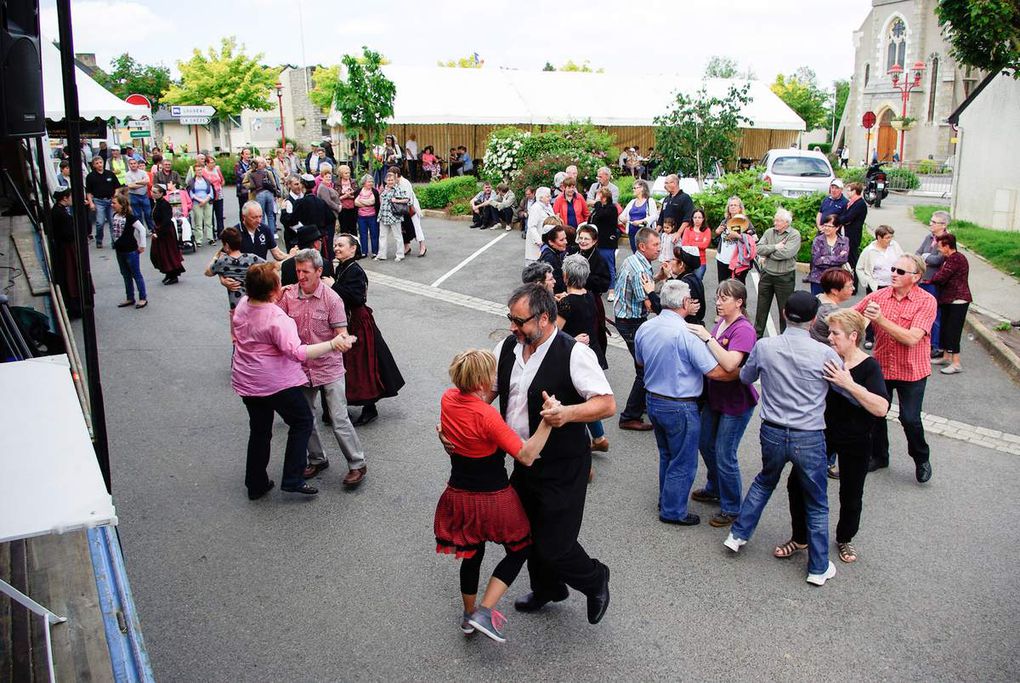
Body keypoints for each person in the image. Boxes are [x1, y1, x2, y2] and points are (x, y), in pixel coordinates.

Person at [491, 284, 614, 625]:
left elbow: (607, 403)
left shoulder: (574, 353)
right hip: (523, 461)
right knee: (520, 534)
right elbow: (490, 390)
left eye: (519, 320)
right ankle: (549, 588)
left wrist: (567, 414)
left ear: (544, 318)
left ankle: (595, 578)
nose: (513, 327)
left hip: (564, 465)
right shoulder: (506, 347)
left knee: (555, 545)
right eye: (510, 318)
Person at [724, 291, 843, 587]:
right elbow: (841, 388)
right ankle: (817, 567)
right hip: (809, 433)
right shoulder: (825, 353)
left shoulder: (765, 346)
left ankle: (738, 535)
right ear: (814, 319)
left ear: (785, 314)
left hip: (773, 429)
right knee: (816, 501)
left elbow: (745, 377)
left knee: (764, 481)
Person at [434, 349, 551, 643]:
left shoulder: (448, 399)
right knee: (519, 547)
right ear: (484, 379)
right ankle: (484, 611)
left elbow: (450, 428)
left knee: (472, 553)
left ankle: (468, 615)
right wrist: (547, 422)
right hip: (493, 497)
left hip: (459, 494)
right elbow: (525, 455)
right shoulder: (487, 416)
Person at [231, 262, 351, 500]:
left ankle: (256, 483)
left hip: (247, 380)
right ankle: (292, 477)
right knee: (302, 421)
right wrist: (332, 344)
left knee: (260, 430)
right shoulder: (277, 318)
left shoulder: (243, 305)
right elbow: (297, 352)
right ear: (273, 289)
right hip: (274, 383)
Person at [779, 309, 889, 565]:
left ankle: (844, 538)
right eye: (829, 332)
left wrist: (847, 383)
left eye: (835, 333)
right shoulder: (826, 358)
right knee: (796, 484)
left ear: (853, 336)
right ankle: (800, 537)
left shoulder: (869, 366)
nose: (829, 337)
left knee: (851, 492)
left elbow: (881, 408)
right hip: (819, 435)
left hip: (856, 439)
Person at [636, 280, 728, 526]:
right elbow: (714, 371)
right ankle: (673, 510)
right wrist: (739, 372)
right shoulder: (687, 333)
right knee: (683, 460)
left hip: (654, 399)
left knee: (667, 454)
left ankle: (666, 499)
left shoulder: (646, 327)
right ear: (685, 303)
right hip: (680, 404)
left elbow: (641, 361)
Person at [276, 248, 366, 488]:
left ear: (319, 271)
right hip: (301, 369)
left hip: (329, 367)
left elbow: (341, 333)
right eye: (298, 271)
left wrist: (346, 340)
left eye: (306, 271)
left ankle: (357, 464)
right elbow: (276, 324)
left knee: (339, 418)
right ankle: (317, 459)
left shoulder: (332, 299)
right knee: (305, 418)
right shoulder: (288, 296)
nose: (301, 276)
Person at [853, 254, 937, 482]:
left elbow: (912, 338)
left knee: (909, 418)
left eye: (901, 271)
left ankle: (921, 458)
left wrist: (880, 320)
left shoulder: (926, 301)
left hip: (912, 370)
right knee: (875, 413)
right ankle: (879, 456)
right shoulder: (879, 295)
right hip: (882, 367)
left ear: (916, 277)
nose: (894, 274)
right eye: (893, 269)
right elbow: (852, 316)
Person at [687, 279, 758, 528]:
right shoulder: (721, 323)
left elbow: (730, 364)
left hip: (736, 403)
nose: (718, 302)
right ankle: (715, 486)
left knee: (725, 453)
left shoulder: (744, 330)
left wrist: (707, 338)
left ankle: (731, 507)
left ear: (739, 302)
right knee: (706, 443)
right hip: (715, 398)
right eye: (717, 297)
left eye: (724, 298)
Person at [331, 234, 405, 426]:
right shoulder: (342, 267)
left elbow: (357, 298)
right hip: (348, 321)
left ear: (353, 249)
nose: (337, 248)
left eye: (341, 245)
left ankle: (369, 407)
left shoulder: (355, 270)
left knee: (364, 364)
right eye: (335, 245)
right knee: (354, 364)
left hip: (359, 321)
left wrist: (333, 286)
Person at [557, 254, 610, 456]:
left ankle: (583, 454)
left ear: (566, 277)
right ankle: (599, 438)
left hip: (573, 356)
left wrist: (571, 339)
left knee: (575, 404)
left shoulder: (567, 304)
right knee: (586, 398)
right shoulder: (589, 296)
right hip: (593, 353)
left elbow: (555, 334)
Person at [613, 227, 662, 431]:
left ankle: (640, 404)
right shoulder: (640, 268)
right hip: (631, 322)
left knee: (642, 365)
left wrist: (659, 277)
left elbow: (646, 287)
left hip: (627, 318)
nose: (659, 249)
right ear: (643, 246)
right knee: (645, 369)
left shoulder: (636, 260)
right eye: (655, 245)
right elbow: (652, 305)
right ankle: (629, 416)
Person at [754, 208, 802, 337]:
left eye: (778, 220)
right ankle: (757, 336)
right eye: (775, 219)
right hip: (767, 275)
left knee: (784, 310)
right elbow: (758, 248)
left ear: (787, 223)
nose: (775, 222)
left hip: (785, 277)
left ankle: (785, 337)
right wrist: (775, 247)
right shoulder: (769, 232)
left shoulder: (794, 235)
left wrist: (768, 253)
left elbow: (787, 253)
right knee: (761, 308)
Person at [929, 233, 971, 375]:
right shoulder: (949, 258)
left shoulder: (956, 259)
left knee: (953, 331)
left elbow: (941, 277)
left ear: (947, 246)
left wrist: (930, 279)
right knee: (945, 328)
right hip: (948, 299)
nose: (938, 250)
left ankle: (956, 362)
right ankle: (946, 357)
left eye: (940, 247)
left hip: (958, 300)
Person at [206, 226, 265, 323]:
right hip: (254, 303)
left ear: (226, 246)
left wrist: (215, 258)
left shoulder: (222, 261)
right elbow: (269, 266)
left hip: (236, 305)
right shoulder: (252, 258)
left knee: (238, 335)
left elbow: (208, 272)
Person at [917, 210, 951, 359]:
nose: (930, 224)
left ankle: (936, 345)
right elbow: (918, 253)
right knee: (921, 312)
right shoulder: (928, 237)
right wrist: (924, 257)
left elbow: (938, 260)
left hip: (933, 282)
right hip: (922, 280)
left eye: (934, 222)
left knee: (934, 314)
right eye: (931, 221)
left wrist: (926, 257)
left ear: (943, 225)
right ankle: (924, 339)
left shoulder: (946, 240)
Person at [574, 225, 611, 357]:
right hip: (573, 298)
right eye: (581, 238)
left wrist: (585, 278)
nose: (582, 241)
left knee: (593, 332)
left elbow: (605, 284)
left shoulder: (599, 259)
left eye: (586, 239)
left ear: (594, 241)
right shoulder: (574, 252)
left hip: (591, 301)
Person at [110, 188, 147, 309]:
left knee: (136, 274)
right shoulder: (115, 215)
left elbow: (142, 229)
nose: (112, 205)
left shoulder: (130, 217)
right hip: (120, 250)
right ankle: (130, 297)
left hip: (130, 250)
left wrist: (142, 245)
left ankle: (143, 297)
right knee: (125, 274)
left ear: (121, 205)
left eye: (114, 203)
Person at [48, 188, 82, 317]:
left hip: (64, 247)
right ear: (65, 198)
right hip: (66, 248)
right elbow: (68, 233)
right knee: (71, 276)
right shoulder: (60, 214)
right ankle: (74, 306)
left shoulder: (58, 211)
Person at [149, 184, 185, 285]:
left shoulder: (164, 204)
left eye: (155, 192)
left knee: (168, 254)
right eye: (152, 191)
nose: (152, 194)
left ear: (161, 193)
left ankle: (173, 275)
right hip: (161, 230)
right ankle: (168, 274)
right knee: (162, 254)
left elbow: (166, 221)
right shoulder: (157, 203)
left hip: (166, 232)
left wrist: (158, 233)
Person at [588, 188, 620, 298]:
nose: (596, 198)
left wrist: (597, 202)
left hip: (607, 241)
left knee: (609, 265)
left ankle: (612, 290)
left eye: (598, 196)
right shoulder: (599, 208)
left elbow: (602, 215)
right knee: (597, 265)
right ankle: (599, 287)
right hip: (596, 241)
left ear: (604, 198)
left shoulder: (611, 208)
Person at [809, 268, 854, 344]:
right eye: (849, 286)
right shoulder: (833, 312)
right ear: (834, 291)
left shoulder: (817, 297)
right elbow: (848, 338)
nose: (853, 288)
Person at [808, 214, 849, 295]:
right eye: (825, 225)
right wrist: (837, 258)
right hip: (818, 279)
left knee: (832, 305)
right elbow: (816, 261)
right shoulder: (818, 240)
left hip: (835, 279)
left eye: (830, 226)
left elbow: (843, 259)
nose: (826, 228)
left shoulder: (844, 240)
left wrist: (825, 258)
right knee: (816, 304)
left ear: (837, 227)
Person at [714, 198, 753, 283]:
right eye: (731, 205)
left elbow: (754, 238)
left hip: (737, 260)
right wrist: (717, 231)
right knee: (723, 285)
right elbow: (718, 234)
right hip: (722, 258)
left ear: (740, 208)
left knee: (737, 287)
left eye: (735, 205)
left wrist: (738, 236)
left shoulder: (745, 221)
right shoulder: (725, 221)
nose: (733, 207)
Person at [85, 156, 120, 249]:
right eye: (97, 163)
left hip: (110, 201)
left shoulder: (110, 174)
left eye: (100, 162)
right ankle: (99, 240)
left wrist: (115, 197)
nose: (99, 164)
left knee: (113, 222)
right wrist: (91, 203)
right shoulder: (90, 176)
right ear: (93, 165)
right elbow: (88, 192)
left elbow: (117, 187)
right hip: (98, 201)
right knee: (100, 222)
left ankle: (114, 241)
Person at [377, 170, 409, 261]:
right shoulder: (384, 189)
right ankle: (381, 254)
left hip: (394, 216)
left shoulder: (398, 189)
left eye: (392, 180)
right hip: (383, 215)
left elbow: (407, 200)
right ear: (386, 180)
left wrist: (396, 200)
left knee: (397, 236)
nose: (390, 182)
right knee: (382, 236)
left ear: (395, 181)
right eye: (388, 180)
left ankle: (400, 254)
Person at [245, 157, 281, 238]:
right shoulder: (266, 172)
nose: (260, 164)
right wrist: (274, 193)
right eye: (259, 163)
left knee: (263, 215)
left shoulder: (253, 173)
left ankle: (264, 234)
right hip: (268, 194)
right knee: (269, 215)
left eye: (262, 163)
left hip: (260, 194)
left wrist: (252, 187)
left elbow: (252, 185)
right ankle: (270, 234)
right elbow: (274, 184)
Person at [619, 179, 658, 254]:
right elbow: (621, 215)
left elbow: (654, 216)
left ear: (642, 188)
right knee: (635, 254)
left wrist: (641, 221)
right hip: (632, 233)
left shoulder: (649, 201)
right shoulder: (632, 202)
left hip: (644, 234)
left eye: (635, 188)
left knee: (645, 255)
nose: (633, 190)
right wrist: (622, 218)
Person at [838, 182, 868, 274]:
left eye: (849, 191)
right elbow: (843, 216)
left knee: (852, 261)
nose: (847, 193)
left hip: (853, 236)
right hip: (846, 233)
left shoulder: (860, 204)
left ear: (855, 191)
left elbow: (847, 218)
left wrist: (841, 220)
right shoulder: (851, 203)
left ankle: (854, 282)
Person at [187, 159, 216, 247]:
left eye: (200, 170)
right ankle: (198, 239)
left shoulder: (206, 180)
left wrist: (205, 200)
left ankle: (210, 238)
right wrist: (200, 200)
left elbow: (211, 192)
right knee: (198, 222)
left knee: (209, 221)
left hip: (207, 201)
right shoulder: (192, 181)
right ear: (195, 171)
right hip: (197, 202)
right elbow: (191, 193)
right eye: (197, 170)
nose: (199, 172)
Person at [124, 157, 154, 233]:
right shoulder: (127, 174)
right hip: (133, 196)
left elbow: (147, 181)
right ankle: (141, 230)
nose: (133, 165)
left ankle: (152, 229)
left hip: (144, 195)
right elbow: (130, 186)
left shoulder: (143, 172)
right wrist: (142, 183)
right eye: (131, 164)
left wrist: (136, 182)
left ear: (137, 164)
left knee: (148, 213)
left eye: (134, 163)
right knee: (137, 215)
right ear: (129, 165)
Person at [680, 208, 712, 280]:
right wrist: (699, 243)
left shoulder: (707, 230)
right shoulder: (687, 229)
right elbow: (684, 244)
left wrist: (691, 243)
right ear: (692, 218)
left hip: (701, 262)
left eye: (699, 217)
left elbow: (705, 245)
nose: (697, 219)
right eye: (695, 217)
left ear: (703, 219)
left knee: (697, 282)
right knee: (686, 281)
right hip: (688, 261)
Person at [354, 174, 381, 258]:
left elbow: (373, 202)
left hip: (372, 216)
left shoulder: (375, 192)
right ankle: (364, 252)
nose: (371, 183)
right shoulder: (358, 191)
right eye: (369, 181)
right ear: (364, 182)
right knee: (363, 234)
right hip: (361, 216)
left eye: (372, 181)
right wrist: (367, 202)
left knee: (374, 234)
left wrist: (361, 201)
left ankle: (375, 252)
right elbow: (355, 203)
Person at [525, 187, 553, 263]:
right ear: (541, 198)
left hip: (546, 242)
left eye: (550, 196)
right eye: (547, 196)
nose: (550, 198)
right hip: (537, 244)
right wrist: (539, 242)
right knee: (535, 267)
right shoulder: (535, 208)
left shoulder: (548, 206)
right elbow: (531, 227)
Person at [538, 223, 569, 293]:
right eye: (561, 240)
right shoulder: (549, 258)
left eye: (565, 238)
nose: (566, 242)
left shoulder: (554, 253)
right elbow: (555, 285)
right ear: (551, 242)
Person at [202, 154, 226, 239]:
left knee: (219, 215)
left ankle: (221, 233)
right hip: (209, 195)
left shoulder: (217, 169)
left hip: (219, 194)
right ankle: (211, 234)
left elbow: (222, 180)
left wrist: (219, 187)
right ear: (206, 164)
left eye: (214, 162)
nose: (213, 164)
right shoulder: (203, 171)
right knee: (210, 215)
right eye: (211, 163)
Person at [335, 165, 359, 241]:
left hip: (352, 208)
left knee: (353, 228)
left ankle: (356, 247)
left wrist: (350, 195)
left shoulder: (353, 182)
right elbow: (336, 197)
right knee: (344, 229)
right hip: (343, 209)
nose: (348, 175)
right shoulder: (337, 183)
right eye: (346, 173)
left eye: (349, 173)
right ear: (341, 174)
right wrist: (346, 195)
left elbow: (358, 194)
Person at [234, 148, 253, 214]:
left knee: (252, 209)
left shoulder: (252, 164)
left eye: (249, 154)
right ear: (242, 155)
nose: (248, 156)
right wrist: (250, 173)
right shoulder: (238, 165)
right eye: (246, 154)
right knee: (243, 209)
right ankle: (243, 224)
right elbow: (241, 176)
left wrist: (248, 174)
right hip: (242, 191)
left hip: (252, 190)